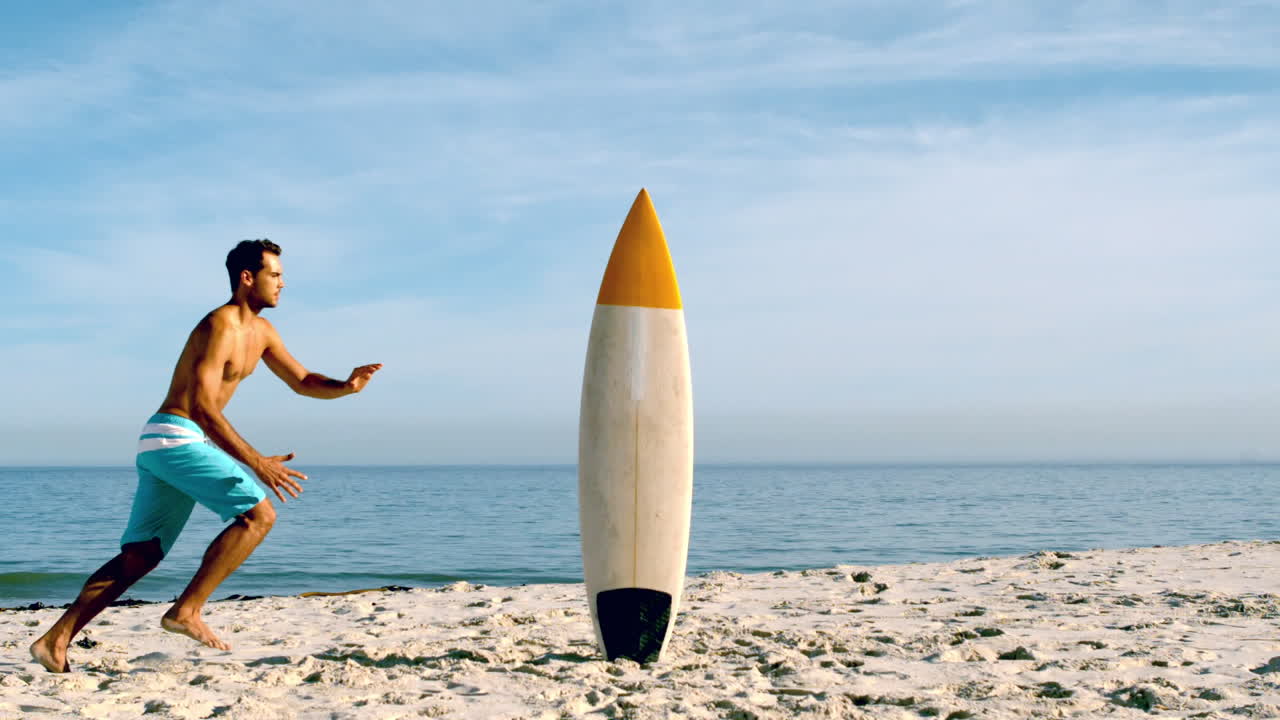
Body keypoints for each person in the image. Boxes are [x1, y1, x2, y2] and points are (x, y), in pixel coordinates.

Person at [30, 239, 382, 672]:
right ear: (247, 277)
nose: (282, 283)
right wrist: (255, 461)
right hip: (175, 437)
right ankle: (187, 611)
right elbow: (201, 407)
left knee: (140, 555)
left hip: (170, 442)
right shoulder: (218, 326)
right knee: (259, 516)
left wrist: (345, 386)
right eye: (275, 275)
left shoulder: (263, 332)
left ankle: (55, 640)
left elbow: (303, 378)